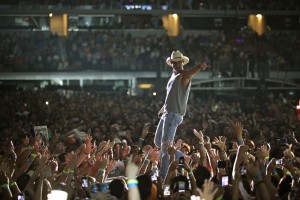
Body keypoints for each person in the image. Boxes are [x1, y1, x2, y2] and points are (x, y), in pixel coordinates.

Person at [154, 50, 209, 179]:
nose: (177, 63)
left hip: (173, 114)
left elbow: (189, 74)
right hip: (167, 112)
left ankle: (164, 177)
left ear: (182, 62)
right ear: (171, 63)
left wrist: (199, 67)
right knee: (158, 141)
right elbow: (171, 95)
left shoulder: (183, 74)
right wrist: (163, 108)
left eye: (179, 61)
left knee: (165, 147)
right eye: (175, 61)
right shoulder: (174, 76)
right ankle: (180, 156)